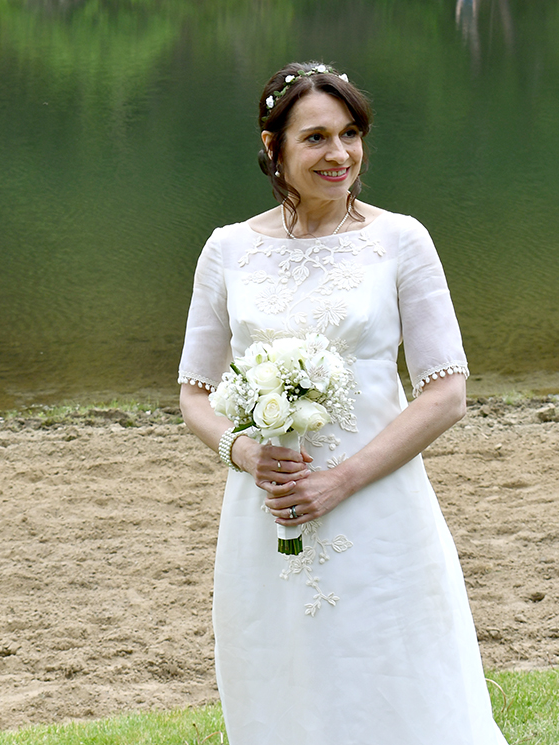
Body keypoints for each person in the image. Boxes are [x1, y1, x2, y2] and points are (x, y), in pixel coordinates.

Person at [178, 61, 509, 745]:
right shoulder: (227, 252)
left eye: (350, 133)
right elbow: (194, 393)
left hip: (378, 501)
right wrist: (239, 449)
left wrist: (339, 480)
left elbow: (445, 393)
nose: (339, 155)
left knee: (395, 671)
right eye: (316, 138)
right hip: (266, 509)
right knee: (284, 675)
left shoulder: (399, 241)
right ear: (272, 147)